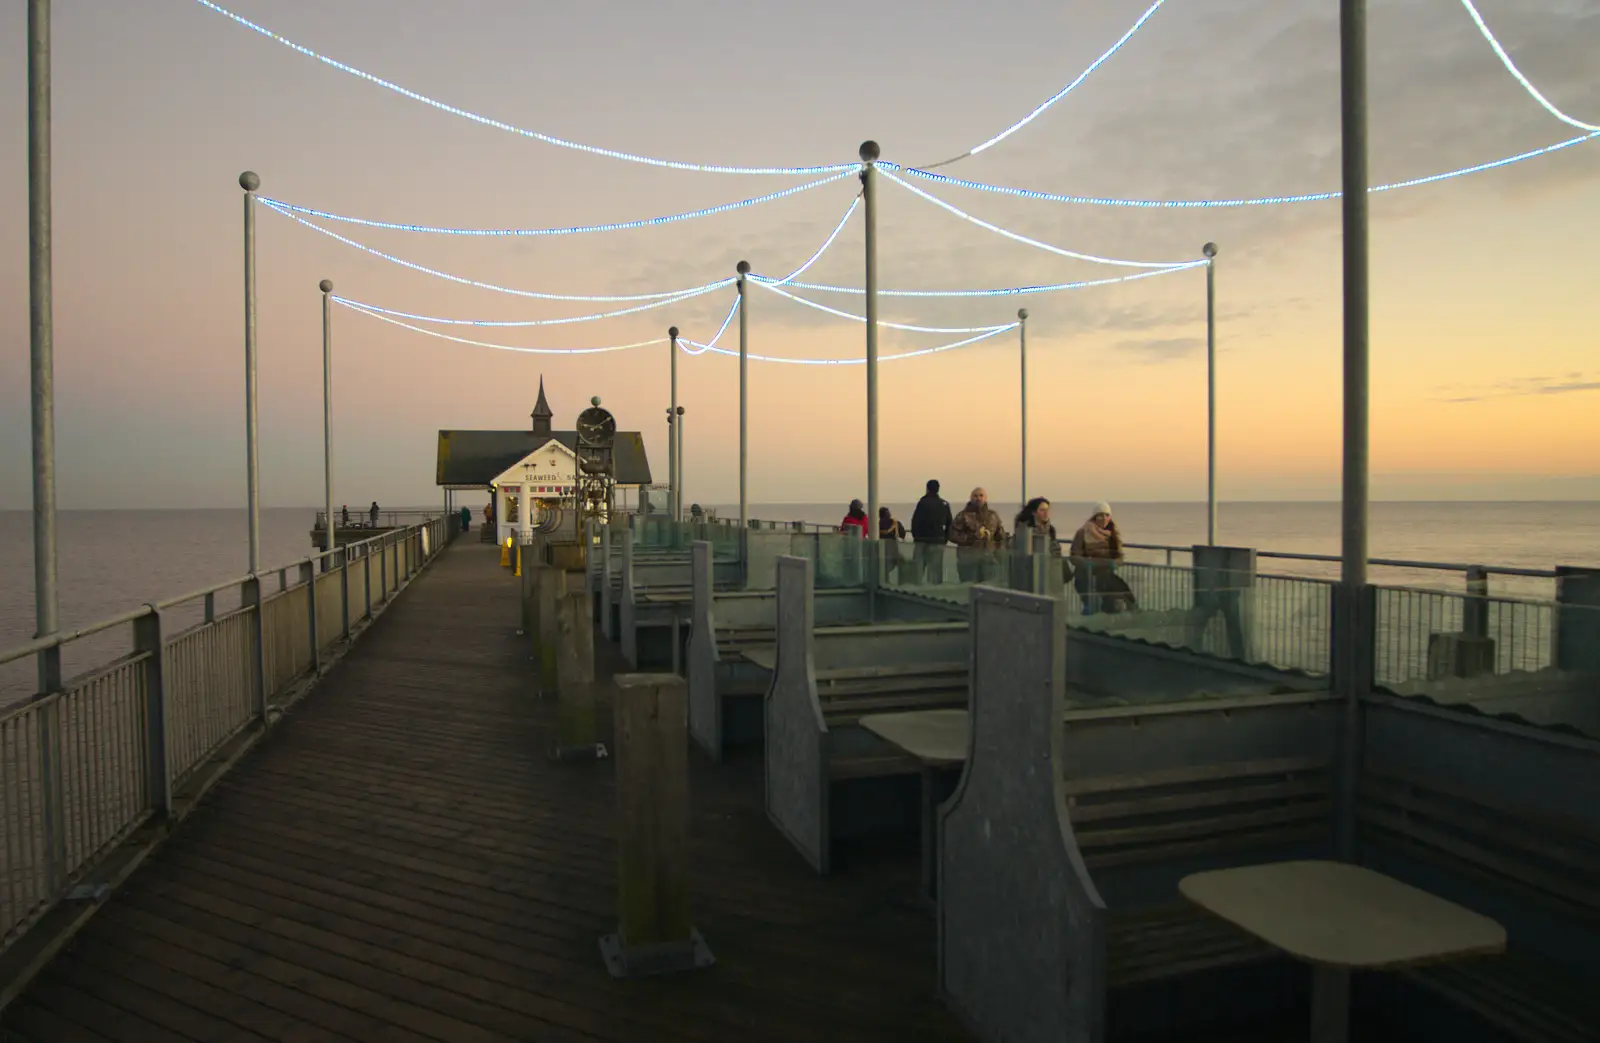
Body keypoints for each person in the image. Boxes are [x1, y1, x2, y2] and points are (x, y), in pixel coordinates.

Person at [1069, 502, 1136, 614]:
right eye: (1100, 515)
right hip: (1085, 575)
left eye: (1107, 515)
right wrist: (1087, 563)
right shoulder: (1083, 532)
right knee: (1091, 605)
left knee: (1126, 597)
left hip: (1105, 575)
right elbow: (1074, 556)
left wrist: (1114, 563)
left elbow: (1120, 556)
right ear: (1095, 517)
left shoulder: (1113, 534)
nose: (1104, 519)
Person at [947, 487, 1008, 583]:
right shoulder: (963, 516)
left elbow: (1000, 537)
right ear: (971, 498)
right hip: (968, 561)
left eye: (981, 495)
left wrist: (999, 554)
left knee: (989, 589)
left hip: (989, 560)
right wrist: (972, 537)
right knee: (967, 589)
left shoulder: (993, 516)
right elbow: (952, 535)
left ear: (985, 498)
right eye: (975, 496)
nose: (978, 498)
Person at [910, 479, 953, 585]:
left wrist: (916, 537)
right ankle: (935, 589)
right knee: (936, 569)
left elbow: (915, 521)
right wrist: (945, 539)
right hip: (938, 540)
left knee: (918, 568)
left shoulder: (922, 503)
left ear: (927, 489)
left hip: (922, 540)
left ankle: (917, 587)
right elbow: (950, 523)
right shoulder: (944, 504)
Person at [878, 506, 906, 581]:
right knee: (902, 563)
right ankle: (903, 580)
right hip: (893, 548)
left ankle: (885, 581)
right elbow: (902, 533)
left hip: (881, 549)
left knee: (884, 566)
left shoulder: (877, 524)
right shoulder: (895, 523)